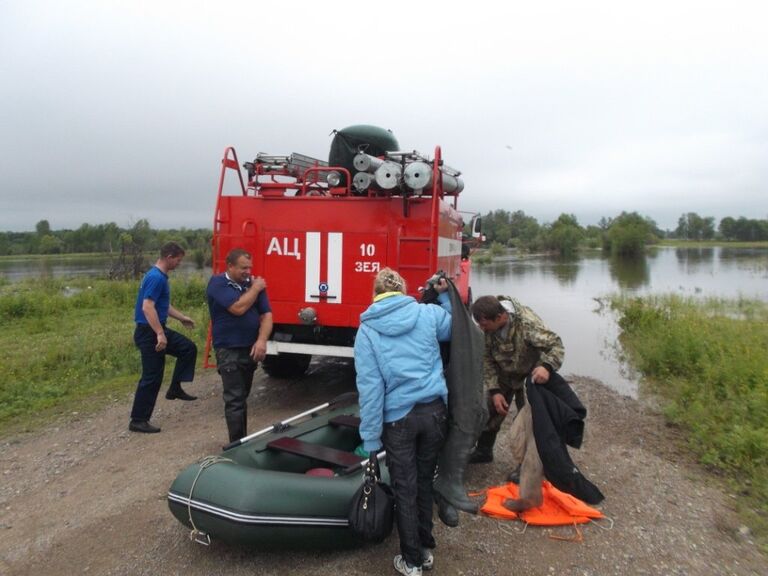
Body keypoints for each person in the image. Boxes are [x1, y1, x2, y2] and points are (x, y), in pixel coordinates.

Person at [354, 268, 450, 576]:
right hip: (434, 412)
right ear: (403, 289)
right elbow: (455, 328)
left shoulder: (367, 331)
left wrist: (370, 440)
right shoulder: (427, 314)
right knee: (424, 481)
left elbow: (370, 389)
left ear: (376, 292)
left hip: (398, 420)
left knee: (404, 487)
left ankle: (411, 562)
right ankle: (423, 548)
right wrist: (444, 294)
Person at [468, 295, 564, 469]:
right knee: (487, 409)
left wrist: (547, 367)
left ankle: (527, 466)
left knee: (529, 421)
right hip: (505, 373)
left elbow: (556, 345)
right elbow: (487, 359)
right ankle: (484, 451)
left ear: (500, 317)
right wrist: (495, 390)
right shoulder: (487, 328)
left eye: (484, 324)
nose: (481, 328)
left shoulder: (528, 326)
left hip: (531, 375)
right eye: (479, 324)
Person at [129, 242, 198, 434]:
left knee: (188, 349)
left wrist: (182, 318)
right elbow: (147, 307)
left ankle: (175, 388)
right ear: (169, 257)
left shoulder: (158, 277)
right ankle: (138, 420)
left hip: (155, 329)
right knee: (152, 376)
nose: (179, 263)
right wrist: (160, 333)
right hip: (148, 332)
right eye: (178, 259)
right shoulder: (156, 278)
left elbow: (162, 305)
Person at [206, 248, 272, 443]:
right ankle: (236, 444)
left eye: (250, 268)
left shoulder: (252, 285)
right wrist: (256, 288)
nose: (247, 272)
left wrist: (261, 340)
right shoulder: (218, 283)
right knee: (234, 399)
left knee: (242, 396)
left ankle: (241, 439)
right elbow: (237, 308)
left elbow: (267, 315)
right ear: (231, 266)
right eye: (243, 268)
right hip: (228, 349)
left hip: (250, 348)